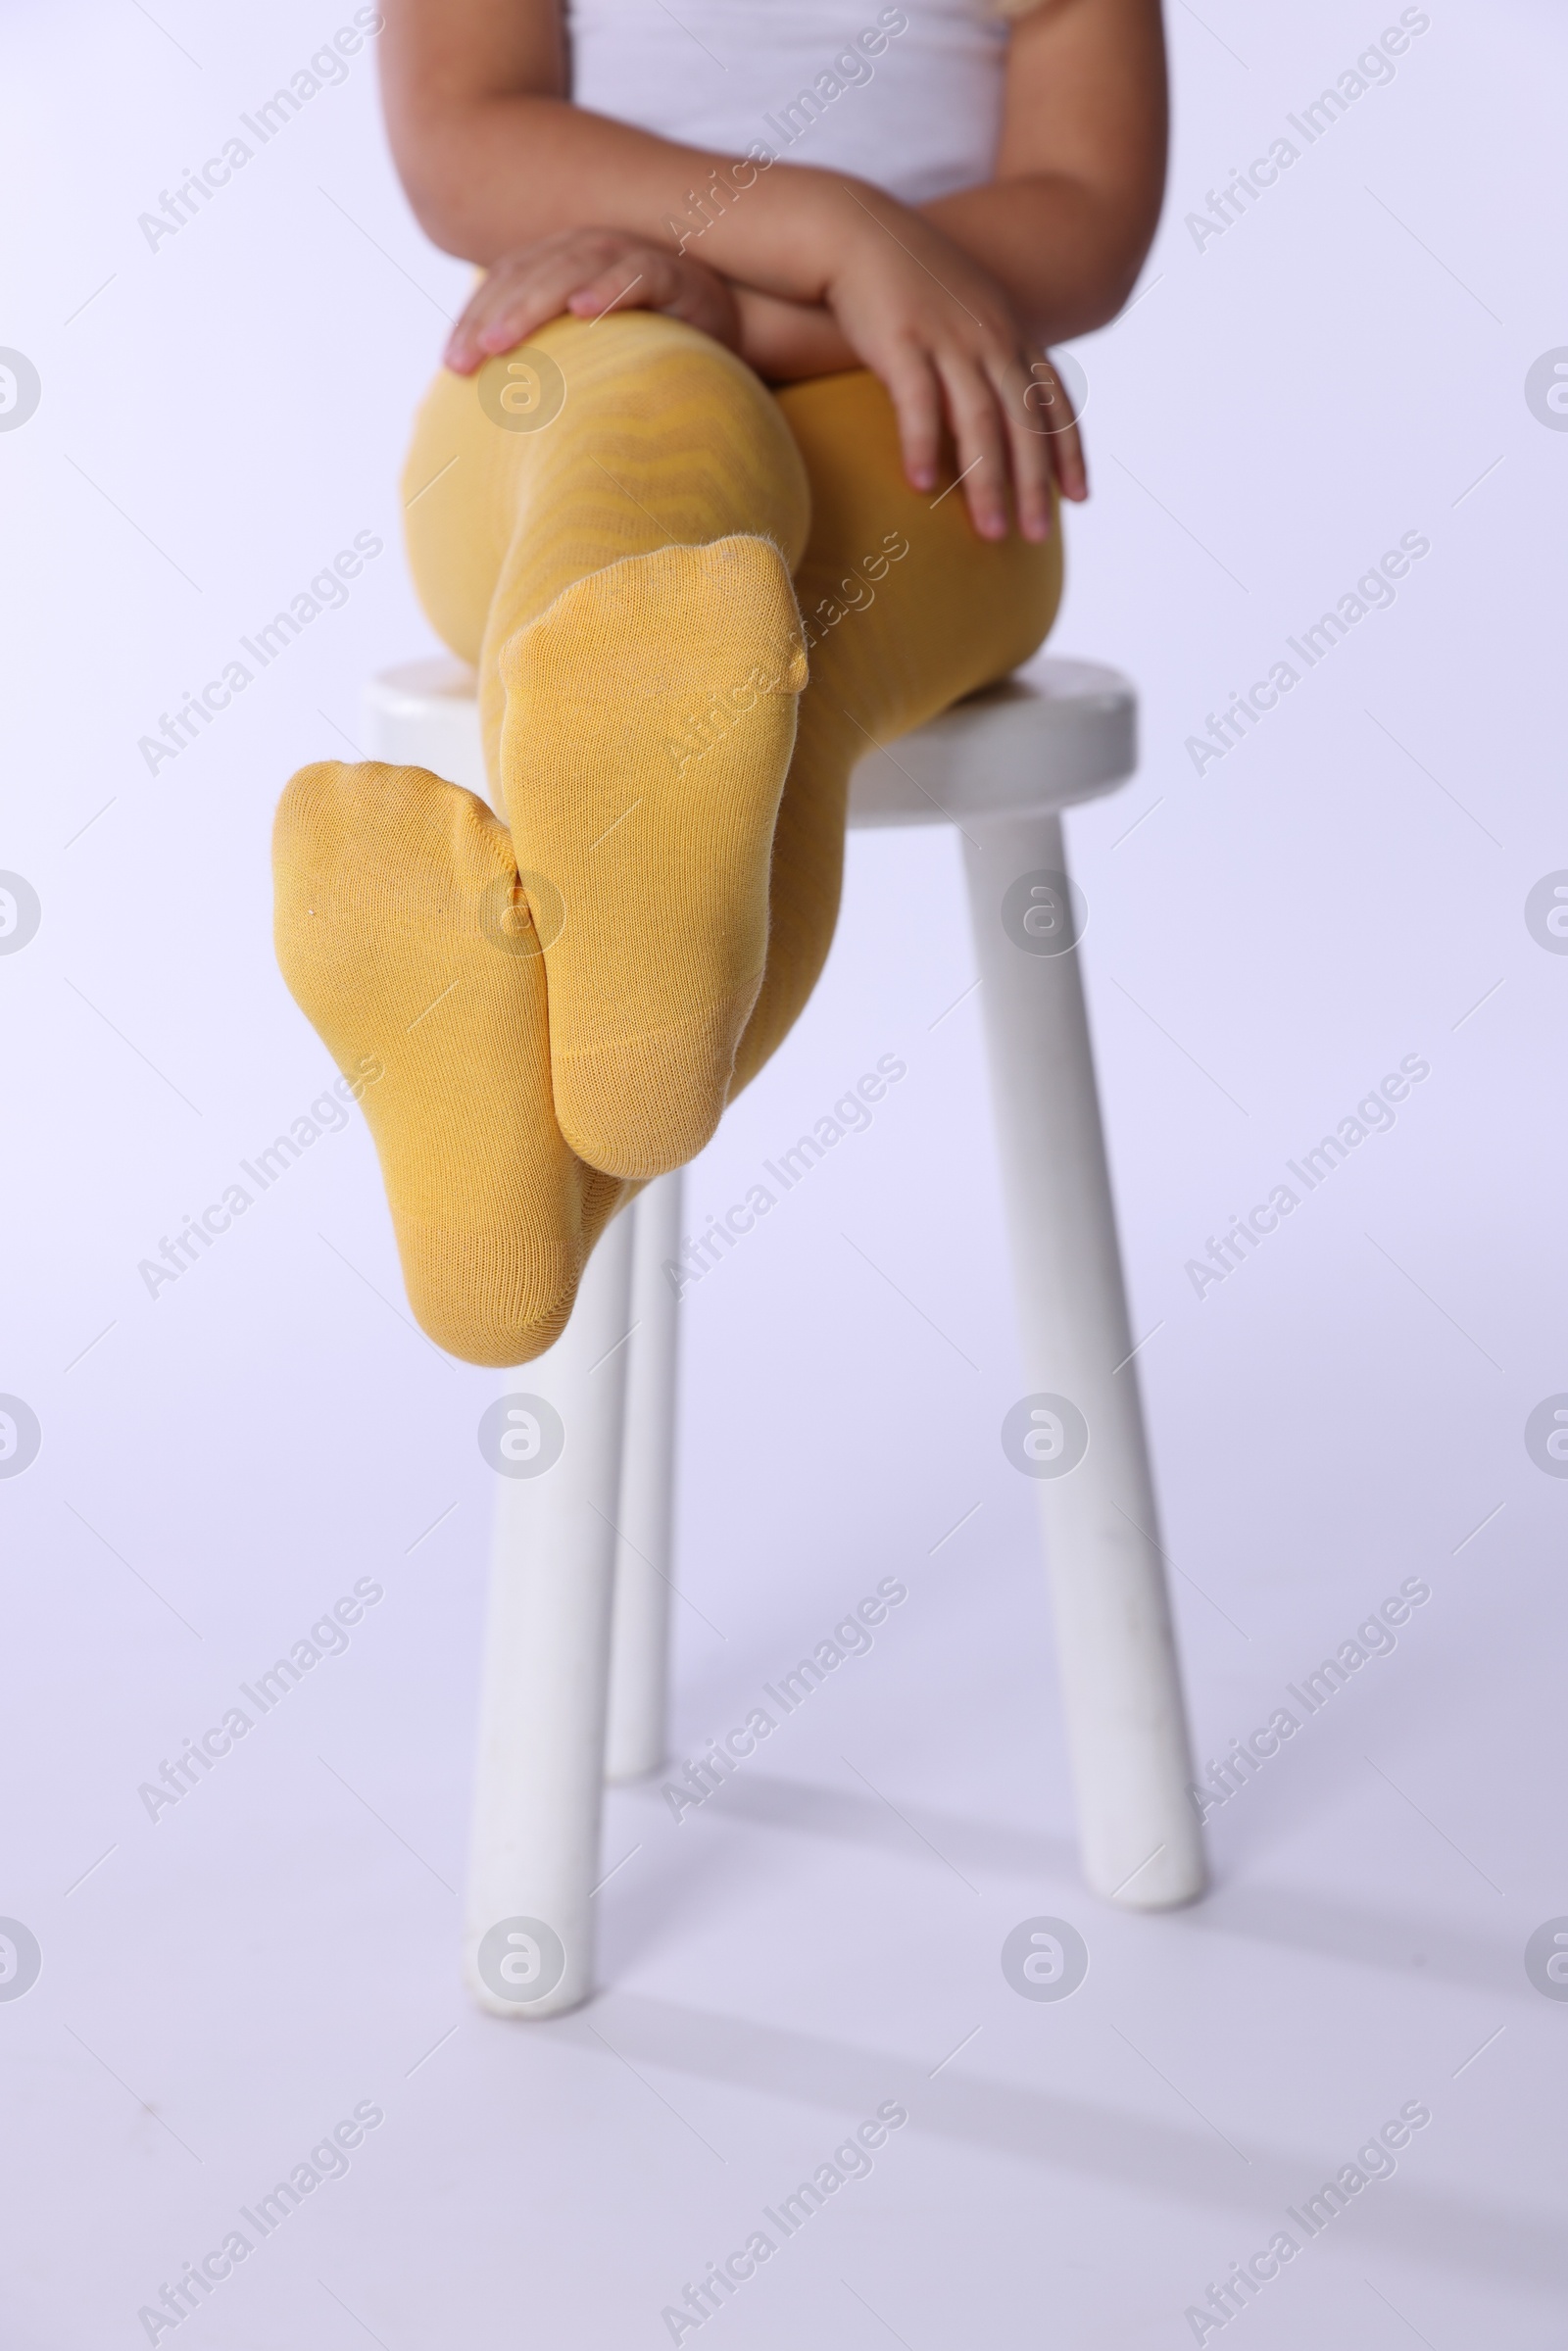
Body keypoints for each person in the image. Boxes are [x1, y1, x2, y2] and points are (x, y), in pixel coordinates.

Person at [272, 0, 1167, 1364]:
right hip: (587, 342)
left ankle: (521, 1194)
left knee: (761, 680)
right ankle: (592, 1132)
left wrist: (756, 306)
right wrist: (829, 232)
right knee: (671, 472)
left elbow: (1090, 214)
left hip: (925, 408)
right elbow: (461, 139)